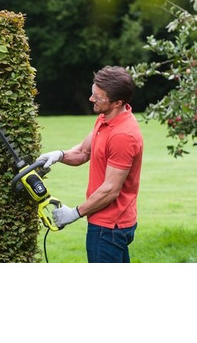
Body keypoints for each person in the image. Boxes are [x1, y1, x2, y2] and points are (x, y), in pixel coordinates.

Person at [37, 66, 143, 263]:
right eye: (93, 92)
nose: (91, 99)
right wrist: (59, 155)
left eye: (98, 97)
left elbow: (110, 190)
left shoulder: (123, 135)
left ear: (117, 102)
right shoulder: (105, 118)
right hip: (109, 223)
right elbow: (83, 152)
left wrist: (74, 213)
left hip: (109, 226)